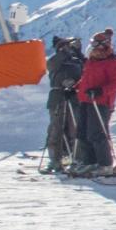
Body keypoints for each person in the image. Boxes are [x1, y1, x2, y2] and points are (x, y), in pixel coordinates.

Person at [71, 28, 116, 176]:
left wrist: (100, 91)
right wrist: (75, 87)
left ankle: (105, 164)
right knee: (83, 132)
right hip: (86, 99)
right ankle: (89, 162)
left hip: (100, 102)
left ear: (102, 45)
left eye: (94, 43)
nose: (92, 46)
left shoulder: (112, 62)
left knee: (97, 133)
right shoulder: (92, 60)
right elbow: (87, 79)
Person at [41, 36, 85, 174]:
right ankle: (55, 159)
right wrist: (65, 52)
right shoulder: (55, 60)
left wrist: (78, 52)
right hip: (58, 96)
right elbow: (50, 65)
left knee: (74, 129)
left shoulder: (77, 60)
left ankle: (75, 157)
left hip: (74, 96)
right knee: (56, 129)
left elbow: (87, 67)